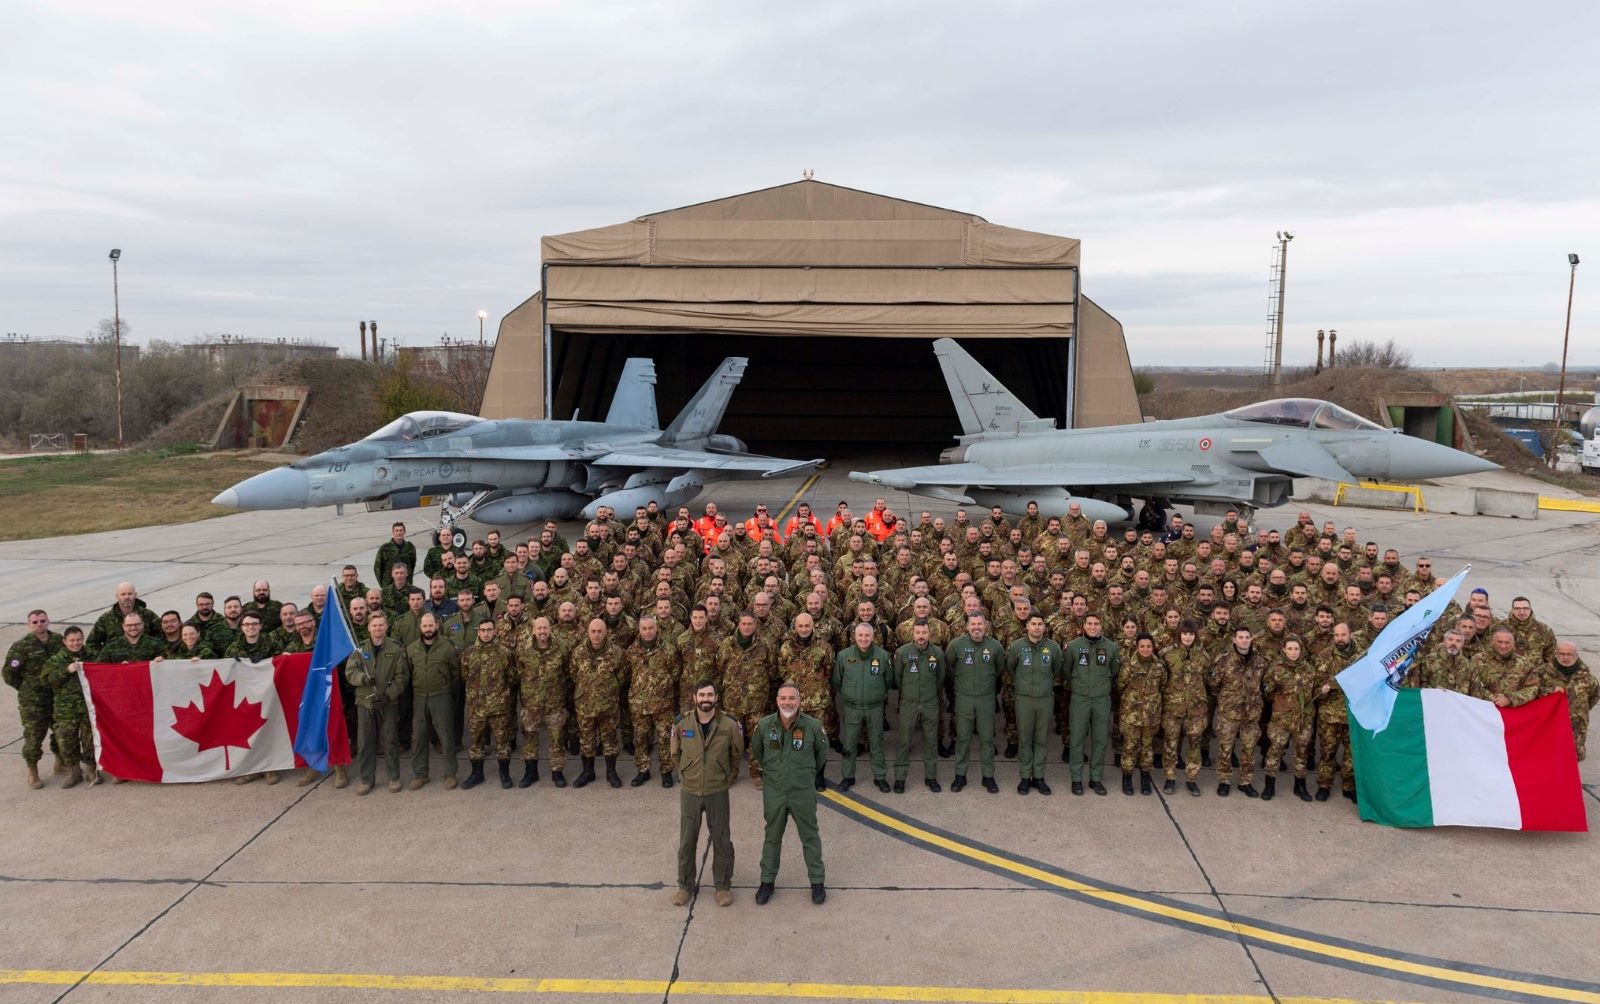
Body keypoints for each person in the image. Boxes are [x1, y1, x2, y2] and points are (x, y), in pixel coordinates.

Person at [671, 680, 744, 909]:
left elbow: (736, 755)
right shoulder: (681, 723)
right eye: (701, 695)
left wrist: (723, 775)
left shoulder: (730, 725)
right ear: (694, 697)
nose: (706, 699)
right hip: (690, 791)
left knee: (721, 839)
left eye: (710, 695)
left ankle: (722, 886)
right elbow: (675, 753)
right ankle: (685, 886)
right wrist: (687, 774)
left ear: (716, 698)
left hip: (717, 790)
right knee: (687, 840)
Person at [754, 684, 828, 906]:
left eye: (792, 698)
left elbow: (821, 755)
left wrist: (803, 775)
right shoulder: (765, 726)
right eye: (783, 698)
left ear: (799, 701)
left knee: (810, 837)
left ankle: (817, 882)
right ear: (777, 701)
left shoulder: (813, 726)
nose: (788, 703)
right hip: (774, 792)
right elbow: (758, 752)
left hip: (802, 792)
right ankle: (767, 882)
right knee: (772, 837)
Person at [345, 612, 411, 795]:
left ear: (386, 626)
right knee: (366, 743)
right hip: (365, 702)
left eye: (381, 625)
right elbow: (350, 673)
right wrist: (363, 679)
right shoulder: (359, 649)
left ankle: (393, 777)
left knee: (390, 740)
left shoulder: (396, 649)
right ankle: (367, 779)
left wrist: (388, 695)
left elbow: (401, 677)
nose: (378, 628)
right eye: (374, 625)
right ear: (369, 627)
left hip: (387, 703)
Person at [945, 612, 1005, 793]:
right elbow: (950, 667)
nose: (976, 627)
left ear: (985, 626)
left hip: (986, 699)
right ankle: (960, 775)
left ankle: (988, 776)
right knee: (963, 738)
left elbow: (999, 669)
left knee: (987, 739)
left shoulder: (995, 646)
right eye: (973, 624)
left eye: (980, 624)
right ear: (967, 626)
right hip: (964, 698)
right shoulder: (956, 645)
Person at [5, 609, 64, 788]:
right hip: (33, 702)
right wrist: (27, 689)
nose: (39, 624)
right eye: (35, 622)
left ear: (48, 621)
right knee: (34, 736)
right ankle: (33, 771)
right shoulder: (21, 646)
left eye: (42, 621)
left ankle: (60, 762)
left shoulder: (58, 640)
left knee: (61, 731)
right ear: (29, 625)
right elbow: (9, 674)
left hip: (56, 696)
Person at [1006, 612, 1063, 795]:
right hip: (1024, 699)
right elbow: (1011, 667)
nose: (1037, 627)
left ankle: (1039, 777)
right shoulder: (1017, 647)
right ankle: (1025, 777)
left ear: (1044, 627)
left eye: (1040, 624)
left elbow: (1057, 669)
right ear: (1027, 627)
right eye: (1034, 624)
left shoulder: (1053, 647)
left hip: (1045, 699)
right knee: (1024, 739)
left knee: (1041, 739)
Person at [832, 622, 892, 792]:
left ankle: (880, 777)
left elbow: (888, 681)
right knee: (849, 744)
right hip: (852, 707)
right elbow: (837, 681)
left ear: (873, 637)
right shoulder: (844, 656)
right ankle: (847, 776)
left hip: (875, 708)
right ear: (854, 637)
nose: (863, 639)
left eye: (867, 635)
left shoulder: (883, 656)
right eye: (860, 635)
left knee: (876, 743)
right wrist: (851, 695)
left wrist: (876, 695)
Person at [1064, 614, 1118, 796]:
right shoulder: (1073, 646)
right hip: (1080, 699)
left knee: (1100, 740)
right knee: (1077, 740)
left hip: (1101, 699)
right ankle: (1076, 779)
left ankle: (1096, 778)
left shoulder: (1111, 647)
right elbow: (1067, 670)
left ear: (1101, 626)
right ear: (1084, 626)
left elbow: (1114, 670)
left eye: (1096, 624)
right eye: (1090, 623)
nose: (1093, 627)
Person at [405, 613, 460, 790]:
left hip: (441, 696)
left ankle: (450, 773)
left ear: (436, 626)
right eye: (424, 626)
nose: (428, 629)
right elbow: (410, 672)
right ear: (420, 627)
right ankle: (421, 774)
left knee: (446, 736)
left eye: (430, 625)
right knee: (419, 737)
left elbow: (455, 673)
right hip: (419, 697)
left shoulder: (448, 647)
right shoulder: (412, 649)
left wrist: (447, 691)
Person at [569, 618, 626, 789]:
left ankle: (611, 772)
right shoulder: (578, 652)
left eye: (600, 631)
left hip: (608, 705)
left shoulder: (616, 652)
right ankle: (588, 771)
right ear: (588, 632)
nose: (596, 635)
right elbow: (573, 673)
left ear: (606, 632)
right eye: (593, 631)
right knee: (587, 739)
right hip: (585, 704)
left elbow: (622, 676)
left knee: (610, 739)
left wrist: (607, 689)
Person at [459, 619, 516, 790]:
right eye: (482, 630)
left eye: (489, 630)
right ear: (478, 632)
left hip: (499, 707)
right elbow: (465, 675)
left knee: (502, 742)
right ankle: (477, 774)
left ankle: (504, 774)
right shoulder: (468, 653)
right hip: (477, 707)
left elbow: (512, 677)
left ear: (495, 631)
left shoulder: (504, 653)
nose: (486, 633)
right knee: (476, 742)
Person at [625, 615, 680, 787]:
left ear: (656, 629)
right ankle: (643, 770)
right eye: (644, 629)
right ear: (639, 630)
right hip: (639, 705)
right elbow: (627, 674)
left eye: (651, 628)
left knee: (665, 738)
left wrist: (661, 687)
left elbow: (675, 672)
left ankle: (666, 771)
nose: (647, 632)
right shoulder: (631, 651)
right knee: (640, 738)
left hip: (663, 704)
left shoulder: (668, 650)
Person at [1210, 627, 1264, 798]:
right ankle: (1224, 780)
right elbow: (1214, 684)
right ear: (1234, 640)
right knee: (1225, 748)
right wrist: (1227, 700)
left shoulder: (1260, 660)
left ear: (1251, 639)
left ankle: (1245, 782)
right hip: (1229, 713)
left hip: (1251, 714)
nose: (1244, 640)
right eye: (1240, 637)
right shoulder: (1223, 661)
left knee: (1249, 749)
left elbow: (1265, 684)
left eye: (1247, 637)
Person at [891, 620, 944, 793]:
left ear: (930, 634)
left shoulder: (937, 653)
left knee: (931, 741)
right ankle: (900, 777)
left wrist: (929, 693)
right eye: (918, 633)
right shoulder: (902, 652)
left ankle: (931, 777)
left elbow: (940, 677)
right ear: (912, 634)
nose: (921, 636)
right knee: (904, 741)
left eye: (924, 633)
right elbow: (898, 677)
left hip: (930, 703)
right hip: (909, 703)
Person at [1261, 636, 1316, 801]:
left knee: (1301, 752)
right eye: (1290, 649)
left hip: (1302, 720)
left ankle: (1300, 786)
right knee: (1275, 751)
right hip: (1281, 719)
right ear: (1284, 649)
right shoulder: (1276, 668)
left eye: (1296, 649)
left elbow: (1313, 691)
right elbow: (1267, 691)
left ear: (1301, 650)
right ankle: (1269, 785)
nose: (1293, 652)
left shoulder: (1308, 669)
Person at [40, 627, 93, 788]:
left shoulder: (92, 656)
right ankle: (73, 772)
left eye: (79, 640)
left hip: (88, 708)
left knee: (90, 740)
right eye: (72, 640)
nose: (75, 643)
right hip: (65, 711)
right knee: (66, 741)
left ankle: (92, 770)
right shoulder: (56, 660)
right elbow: (46, 681)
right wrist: (66, 670)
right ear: (65, 641)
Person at [1116, 632, 1163, 796]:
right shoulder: (1129, 666)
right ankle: (1127, 778)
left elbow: (1162, 687)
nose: (1145, 649)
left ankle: (1145, 777)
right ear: (1137, 647)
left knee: (1147, 748)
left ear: (1153, 647)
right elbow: (1120, 686)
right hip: (1132, 716)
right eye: (1142, 646)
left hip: (1150, 716)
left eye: (1149, 646)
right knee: (1130, 747)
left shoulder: (1159, 667)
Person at [1542, 641, 1597, 760]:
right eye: (1562, 654)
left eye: (1569, 654)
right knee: (1548, 756)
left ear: (1576, 655)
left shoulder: (1586, 677)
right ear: (1556, 654)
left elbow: (1594, 696)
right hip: (1550, 725)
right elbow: (1532, 693)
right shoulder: (1541, 673)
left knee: (1573, 757)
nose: (1565, 657)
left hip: (1576, 727)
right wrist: (1550, 690)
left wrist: (1579, 710)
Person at [374, 521, 417, 585]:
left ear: (404, 532)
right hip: (389, 585)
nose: (399, 533)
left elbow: (412, 565)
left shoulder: (410, 547)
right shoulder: (385, 548)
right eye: (396, 531)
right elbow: (377, 568)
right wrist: (383, 585)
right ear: (393, 532)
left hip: (406, 585)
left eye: (401, 530)